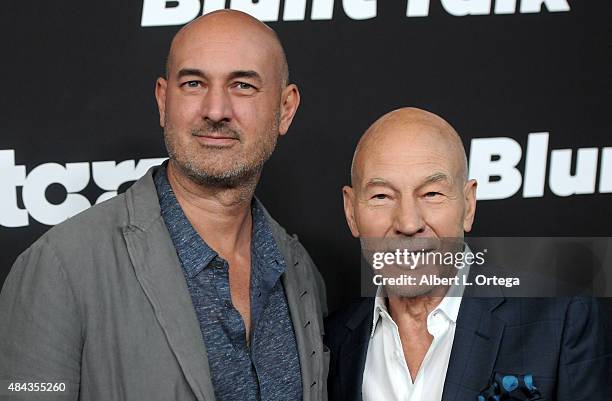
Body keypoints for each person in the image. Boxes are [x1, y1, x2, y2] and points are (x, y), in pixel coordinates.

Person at [0, 10, 328, 401]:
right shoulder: (59, 268)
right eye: (193, 83)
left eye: (242, 85)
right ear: (162, 100)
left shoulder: (298, 269)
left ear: (285, 109)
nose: (216, 110)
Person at [324, 107, 610, 401]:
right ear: (351, 211)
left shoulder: (560, 318)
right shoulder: (330, 343)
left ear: (468, 205)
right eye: (382, 196)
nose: (408, 223)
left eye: (432, 194)